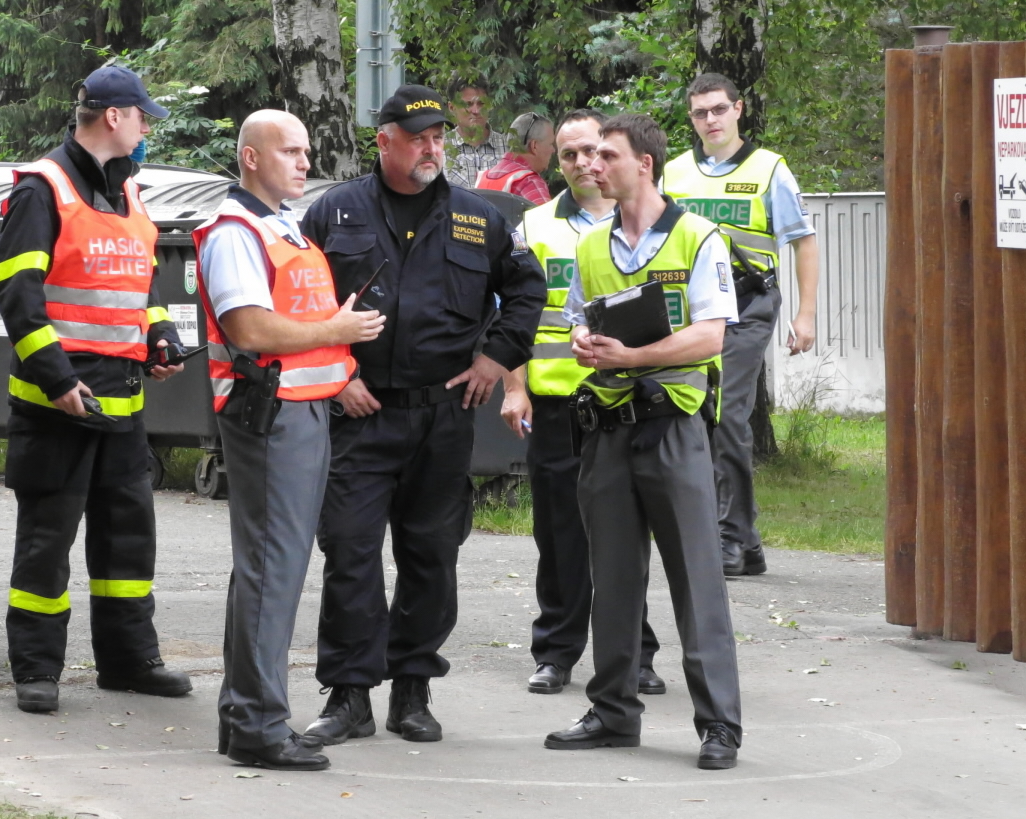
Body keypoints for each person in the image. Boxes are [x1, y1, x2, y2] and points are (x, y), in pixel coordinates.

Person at [298, 85, 545, 747]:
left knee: (430, 556)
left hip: (443, 415)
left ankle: (412, 689)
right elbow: (298, 301)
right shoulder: (335, 211)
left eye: (438, 137)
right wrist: (338, 372)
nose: (432, 148)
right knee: (350, 551)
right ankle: (349, 695)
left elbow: (527, 289)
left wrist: (496, 358)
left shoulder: (478, 216)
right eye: (417, 138)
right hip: (360, 412)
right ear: (384, 142)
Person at [543, 114, 742, 770]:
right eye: (589, 156)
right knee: (613, 577)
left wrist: (631, 356)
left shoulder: (697, 236)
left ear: (644, 164)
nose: (592, 166)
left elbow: (711, 335)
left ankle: (719, 725)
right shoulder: (591, 246)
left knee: (696, 577)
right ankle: (612, 711)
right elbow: (577, 320)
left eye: (607, 155)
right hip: (606, 429)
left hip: (673, 425)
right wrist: (584, 342)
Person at [0, 65, 192, 714]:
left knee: (128, 538)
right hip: (57, 404)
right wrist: (56, 379)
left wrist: (160, 335)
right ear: (114, 117)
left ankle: (129, 661)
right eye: (142, 117)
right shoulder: (43, 188)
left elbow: (140, 281)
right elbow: (16, 292)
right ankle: (37, 669)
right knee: (47, 541)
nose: (146, 129)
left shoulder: (128, 190)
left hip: (122, 404)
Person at [194, 110, 385, 771]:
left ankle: (245, 715)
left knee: (269, 567)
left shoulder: (282, 226)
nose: (305, 162)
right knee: (271, 569)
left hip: (299, 412)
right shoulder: (236, 232)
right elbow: (250, 329)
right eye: (289, 152)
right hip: (272, 415)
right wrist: (338, 331)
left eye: (306, 152)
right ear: (251, 157)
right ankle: (258, 725)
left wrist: (335, 343)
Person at [499, 108, 664, 696]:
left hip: (626, 401)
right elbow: (512, 315)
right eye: (567, 154)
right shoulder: (533, 225)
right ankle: (556, 652)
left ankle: (635, 654)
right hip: (557, 405)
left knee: (625, 534)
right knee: (559, 535)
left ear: (610, 151)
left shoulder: (644, 222)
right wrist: (514, 388)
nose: (581, 163)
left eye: (591, 150)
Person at [662, 73, 819, 578]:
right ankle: (744, 542)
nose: (710, 120)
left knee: (727, 416)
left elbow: (803, 241)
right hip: (691, 311)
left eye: (718, 109)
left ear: (738, 109)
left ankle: (728, 537)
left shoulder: (769, 169)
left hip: (749, 305)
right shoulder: (673, 174)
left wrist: (805, 314)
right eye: (700, 112)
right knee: (696, 415)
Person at [443, 73, 509, 188]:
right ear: (452, 108)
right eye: (468, 104)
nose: (476, 111)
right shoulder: (440, 150)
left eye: (481, 103)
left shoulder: (508, 149)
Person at [474, 112, 554, 205]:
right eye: (551, 144)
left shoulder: (482, 179)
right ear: (534, 146)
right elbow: (545, 215)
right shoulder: (530, 183)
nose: (553, 150)